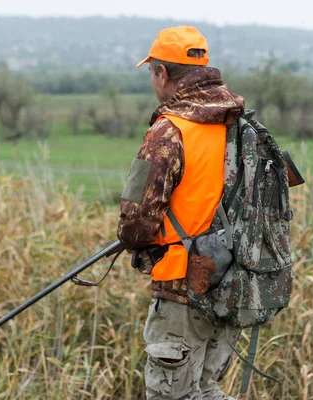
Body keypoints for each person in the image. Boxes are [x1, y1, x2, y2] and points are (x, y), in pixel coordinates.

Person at [117, 26, 246, 400]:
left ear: (161, 74)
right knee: (206, 390)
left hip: (181, 287)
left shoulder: (169, 131)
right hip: (231, 282)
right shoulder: (236, 121)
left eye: (151, 72)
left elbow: (135, 223)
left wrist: (145, 245)